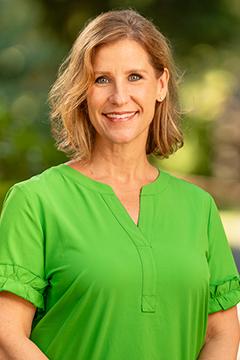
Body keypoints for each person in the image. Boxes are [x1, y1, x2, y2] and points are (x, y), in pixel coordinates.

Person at [0, 9, 239, 360]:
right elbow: (7, 336)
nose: (119, 97)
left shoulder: (198, 207)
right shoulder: (36, 201)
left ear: (160, 85)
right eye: (101, 80)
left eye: (135, 77)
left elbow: (221, 333)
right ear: (83, 90)